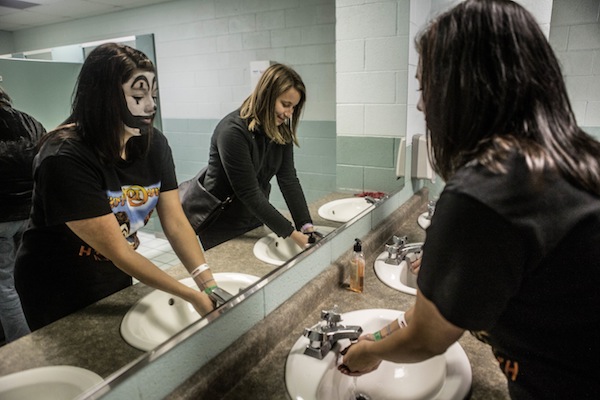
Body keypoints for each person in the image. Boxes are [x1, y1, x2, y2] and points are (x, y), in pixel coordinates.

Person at [338, 1, 600, 399]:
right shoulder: (572, 160)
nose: (422, 105)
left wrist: (368, 353)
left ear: (463, 89)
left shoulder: (484, 193)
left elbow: (428, 337)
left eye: (426, 88)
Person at [14, 43, 218, 331]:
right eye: (138, 96)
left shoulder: (152, 143)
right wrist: (189, 295)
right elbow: (119, 251)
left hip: (111, 271)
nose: (151, 106)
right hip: (57, 284)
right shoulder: (64, 157)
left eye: (153, 95)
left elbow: (175, 222)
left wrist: (206, 283)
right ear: (104, 98)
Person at [181, 63, 318, 250]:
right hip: (221, 224)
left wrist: (305, 225)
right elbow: (248, 192)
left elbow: (288, 180)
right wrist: (291, 233)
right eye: (285, 105)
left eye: (293, 107)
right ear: (267, 95)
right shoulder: (232, 131)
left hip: (253, 218)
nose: (288, 114)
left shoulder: (281, 132)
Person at [0, 86, 46, 342]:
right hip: (30, 213)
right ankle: (40, 332)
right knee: (24, 278)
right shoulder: (29, 121)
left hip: (1, 219)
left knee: (4, 287)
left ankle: (21, 346)